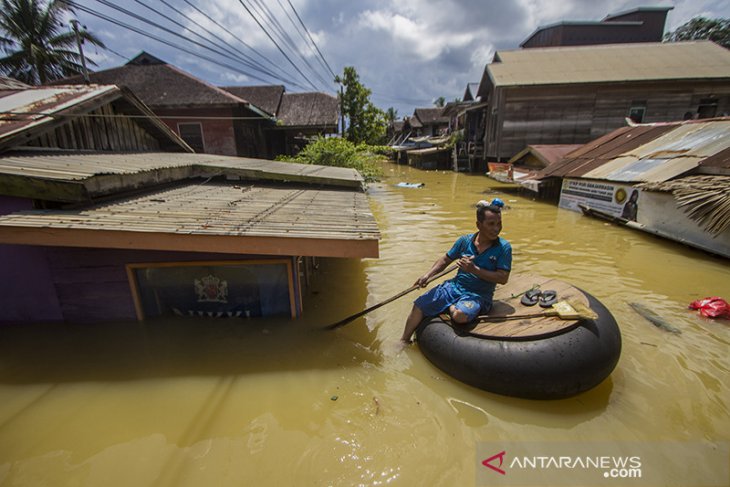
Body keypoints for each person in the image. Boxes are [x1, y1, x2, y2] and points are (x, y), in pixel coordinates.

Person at [400, 199, 512, 344]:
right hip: (454, 287)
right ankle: (403, 341)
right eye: (491, 224)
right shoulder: (464, 241)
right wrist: (427, 275)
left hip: (478, 295)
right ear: (478, 225)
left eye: (499, 224)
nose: (496, 229)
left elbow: (503, 278)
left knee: (460, 316)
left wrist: (474, 269)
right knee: (419, 305)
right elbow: (445, 260)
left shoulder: (503, 248)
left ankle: (449, 306)